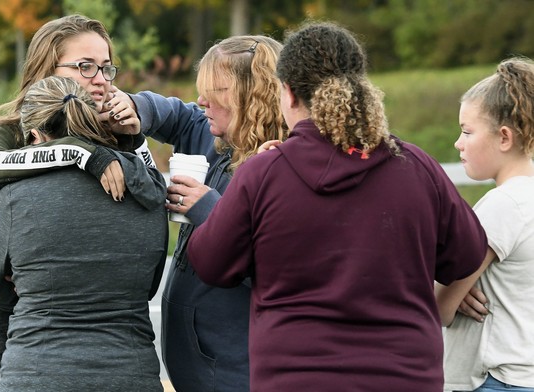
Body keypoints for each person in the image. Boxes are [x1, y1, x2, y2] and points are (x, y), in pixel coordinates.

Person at [186, 21, 488, 391]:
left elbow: (211, 262)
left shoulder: (264, 173)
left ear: (289, 93)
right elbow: (468, 253)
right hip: (405, 377)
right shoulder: (416, 166)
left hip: (296, 379)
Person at [0, 14, 167, 391]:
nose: (100, 78)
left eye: (106, 68)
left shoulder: (116, 129)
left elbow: (154, 193)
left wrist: (137, 138)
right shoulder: (14, 127)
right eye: (85, 66)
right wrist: (84, 153)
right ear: (46, 69)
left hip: (116, 337)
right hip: (21, 324)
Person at [117, 35, 285, 391]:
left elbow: (278, 270)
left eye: (217, 91)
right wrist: (135, 106)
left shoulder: (279, 167)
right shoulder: (213, 134)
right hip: (200, 368)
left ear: (254, 96)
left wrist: (209, 210)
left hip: (238, 373)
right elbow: (176, 114)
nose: (202, 100)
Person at [434, 57, 534, 391]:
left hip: (494, 380)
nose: (457, 143)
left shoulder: (502, 205)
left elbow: (439, 307)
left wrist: (450, 289)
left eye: (466, 132)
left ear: (504, 137)